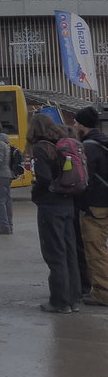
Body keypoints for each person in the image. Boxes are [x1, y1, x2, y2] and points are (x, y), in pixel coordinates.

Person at [32, 122, 83, 313]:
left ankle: (59, 301)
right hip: (67, 203)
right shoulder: (63, 146)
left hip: (50, 205)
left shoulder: (41, 148)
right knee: (70, 252)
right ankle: (73, 299)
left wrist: (35, 194)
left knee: (55, 253)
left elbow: (43, 178)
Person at [73, 106, 108, 307]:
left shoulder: (88, 147)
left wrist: (82, 203)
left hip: (96, 205)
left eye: (76, 122)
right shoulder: (103, 141)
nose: (74, 125)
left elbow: (83, 180)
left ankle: (103, 293)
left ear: (82, 124)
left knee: (95, 250)